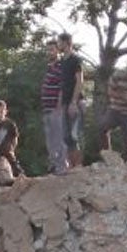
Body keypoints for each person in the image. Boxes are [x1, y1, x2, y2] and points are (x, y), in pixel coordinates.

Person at [37, 37, 68, 174]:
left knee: (58, 138)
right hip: (46, 108)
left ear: (58, 50)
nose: (50, 52)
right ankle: (54, 165)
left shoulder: (61, 66)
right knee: (50, 140)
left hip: (56, 109)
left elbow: (62, 88)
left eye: (52, 49)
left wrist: (59, 107)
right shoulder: (49, 66)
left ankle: (62, 166)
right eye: (48, 49)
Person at [57, 34, 85, 169]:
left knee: (74, 136)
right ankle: (70, 167)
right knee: (65, 136)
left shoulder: (75, 60)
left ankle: (78, 166)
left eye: (59, 42)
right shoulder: (62, 61)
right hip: (65, 102)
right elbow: (62, 84)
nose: (58, 44)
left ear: (66, 43)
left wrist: (73, 102)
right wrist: (60, 104)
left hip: (76, 102)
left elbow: (79, 81)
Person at [0, 99, 25, 188]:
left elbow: (15, 138)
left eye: (2, 111)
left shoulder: (10, 124)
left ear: (6, 112)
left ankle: (23, 182)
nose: (0, 114)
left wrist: (12, 149)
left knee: (16, 169)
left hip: (7, 153)